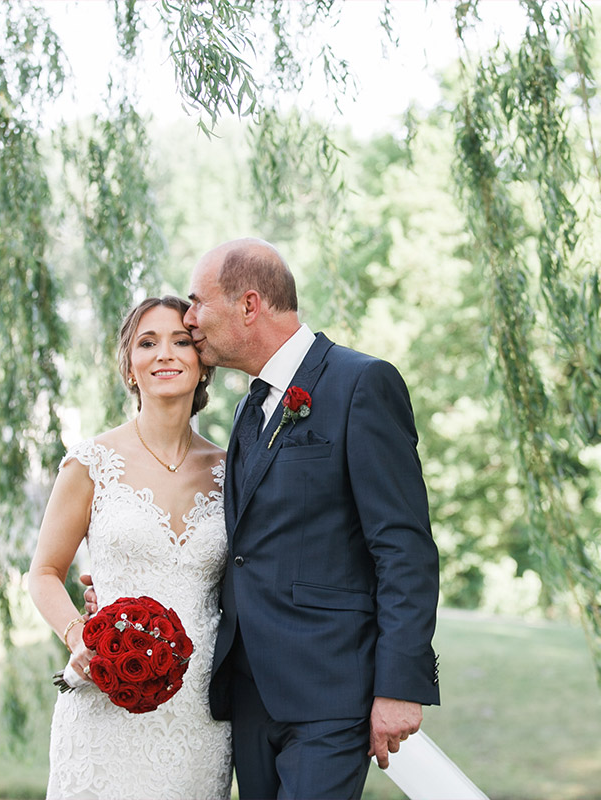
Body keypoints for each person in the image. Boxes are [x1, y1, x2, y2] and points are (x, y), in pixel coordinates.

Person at [186, 237, 441, 798]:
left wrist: (401, 685)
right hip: (249, 696)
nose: (189, 318)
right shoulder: (249, 406)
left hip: (331, 694)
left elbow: (404, 547)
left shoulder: (361, 384)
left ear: (249, 305)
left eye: (197, 301)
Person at [28, 296, 232, 799]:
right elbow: (45, 572)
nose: (165, 353)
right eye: (148, 342)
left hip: (200, 715)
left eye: (181, 341)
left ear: (202, 362)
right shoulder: (91, 463)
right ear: (130, 365)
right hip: (107, 703)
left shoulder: (233, 470)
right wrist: (81, 636)